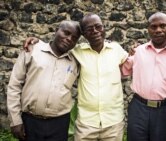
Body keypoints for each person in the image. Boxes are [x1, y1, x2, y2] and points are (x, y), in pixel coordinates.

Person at [23, 13, 128, 141]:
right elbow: (56, 46)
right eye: (89, 29)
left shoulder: (116, 49)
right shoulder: (76, 52)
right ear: (83, 34)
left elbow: (134, 61)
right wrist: (37, 41)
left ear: (104, 28)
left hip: (113, 122)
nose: (95, 31)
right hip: (86, 124)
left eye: (98, 27)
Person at [7, 20, 81, 141]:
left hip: (60, 123)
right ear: (56, 31)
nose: (69, 39)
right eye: (66, 33)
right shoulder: (32, 50)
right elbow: (14, 86)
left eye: (74, 38)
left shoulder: (76, 61)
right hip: (30, 121)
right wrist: (15, 121)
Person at [121, 12, 166, 141]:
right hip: (138, 108)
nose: (158, 30)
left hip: (165, 110)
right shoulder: (138, 51)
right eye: (153, 27)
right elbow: (122, 71)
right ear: (148, 29)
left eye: (163, 26)